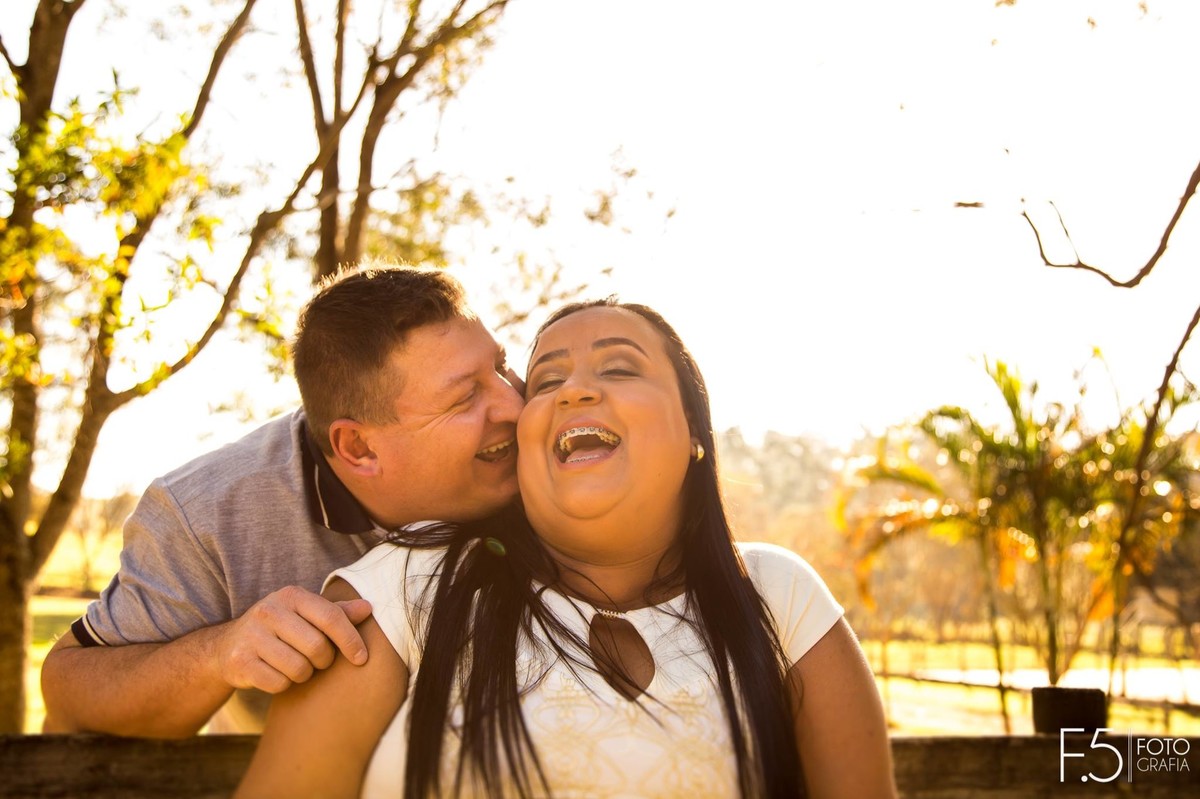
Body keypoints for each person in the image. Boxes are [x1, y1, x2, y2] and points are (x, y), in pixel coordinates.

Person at [235, 299, 896, 798]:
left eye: (619, 367)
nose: (575, 389)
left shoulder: (779, 596)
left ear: (694, 428)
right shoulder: (409, 586)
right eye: (547, 381)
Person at [40, 264, 524, 736]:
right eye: (465, 398)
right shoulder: (206, 515)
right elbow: (69, 697)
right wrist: (219, 654)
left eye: (501, 365)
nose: (514, 404)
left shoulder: (542, 458)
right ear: (359, 448)